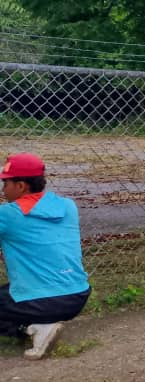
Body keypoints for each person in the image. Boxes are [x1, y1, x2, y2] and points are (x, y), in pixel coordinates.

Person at [0, 153, 90, 360]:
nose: (3, 190)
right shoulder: (67, 206)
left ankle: (34, 329)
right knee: (6, 293)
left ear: (21, 186)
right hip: (78, 294)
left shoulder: (8, 215)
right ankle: (39, 324)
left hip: (42, 302)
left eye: (6, 184)